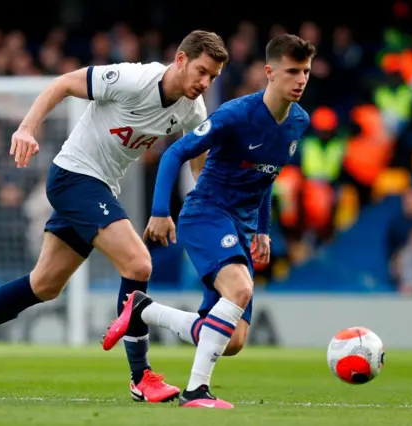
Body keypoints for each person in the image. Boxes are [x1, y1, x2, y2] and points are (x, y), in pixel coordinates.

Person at [0, 30, 229, 402]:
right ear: (180, 59)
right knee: (138, 264)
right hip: (74, 178)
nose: (205, 82)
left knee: (44, 285)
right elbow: (64, 83)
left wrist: (204, 204)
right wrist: (26, 128)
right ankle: (141, 376)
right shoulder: (134, 79)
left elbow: (198, 161)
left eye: (212, 77)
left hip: (99, 188)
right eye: (201, 71)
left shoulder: (192, 109)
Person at [102, 34, 316, 409]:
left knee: (231, 341)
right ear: (269, 72)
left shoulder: (298, 122)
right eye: (292, 71)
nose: (300, 79)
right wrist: (159, 211)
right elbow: (174, 154)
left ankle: (142, 309)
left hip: (242, 227)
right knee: (241, 289)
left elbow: (267, 175)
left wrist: (263, 228)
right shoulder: (235, 115)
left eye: (306, 72)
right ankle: (197, 391)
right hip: (206, 214)